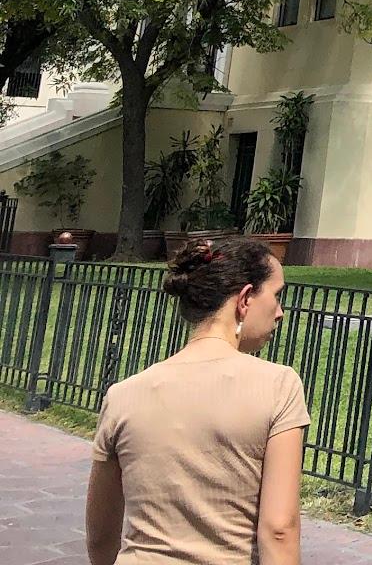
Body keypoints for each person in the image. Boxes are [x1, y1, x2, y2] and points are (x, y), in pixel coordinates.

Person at [84, 237, 309, 565]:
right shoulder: (278, 387)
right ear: (245, 299)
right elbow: (279, 530)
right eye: (276, 296)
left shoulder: (123, 395)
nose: (280, 313)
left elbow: (101, 535)